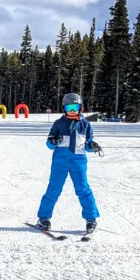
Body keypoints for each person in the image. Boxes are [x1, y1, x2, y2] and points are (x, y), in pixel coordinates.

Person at [36, 92, 102, 235]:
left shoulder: (85, 125)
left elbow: (87, 144)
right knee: (54, 189)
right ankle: (43, 217)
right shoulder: (59, 124)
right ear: (64, 109)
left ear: (81, 108)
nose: (72, 111)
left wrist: (93, 146)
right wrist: (53, 141)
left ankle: (91, 218)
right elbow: (49, 144)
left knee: (83, 190)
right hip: (60, 162)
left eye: (75, 107)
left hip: (78, 163)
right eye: (69, 107)